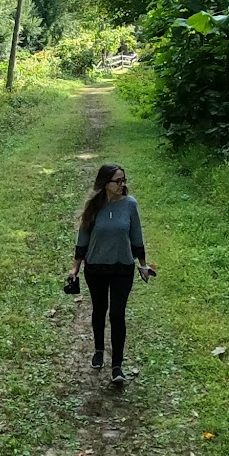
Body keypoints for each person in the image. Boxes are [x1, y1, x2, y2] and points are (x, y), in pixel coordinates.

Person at [70, 163, 155, 385]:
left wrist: (143, 265)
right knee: (99, 309)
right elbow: (83, 239)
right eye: (117, 181)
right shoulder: (93, 206)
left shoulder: (130, 205)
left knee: (117, 314)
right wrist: (75, 268)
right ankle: (99, 349)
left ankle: (117, 365)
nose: (122, 184)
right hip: (96, 267)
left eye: (124, 180)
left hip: (122, 268)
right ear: (105, 183)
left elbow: (137, 237)